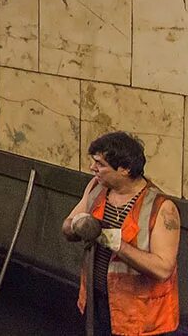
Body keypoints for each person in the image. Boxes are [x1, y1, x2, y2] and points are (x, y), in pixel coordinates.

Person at [63, 132, 180, 336]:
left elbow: (163, 269)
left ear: (125, 169)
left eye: (100, 164)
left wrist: (116, 243)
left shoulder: (161, 208)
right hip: (99, 304)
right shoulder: (96, 188)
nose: (93, 168)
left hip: (140, 316)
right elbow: (67, 227)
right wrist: (79, 226)